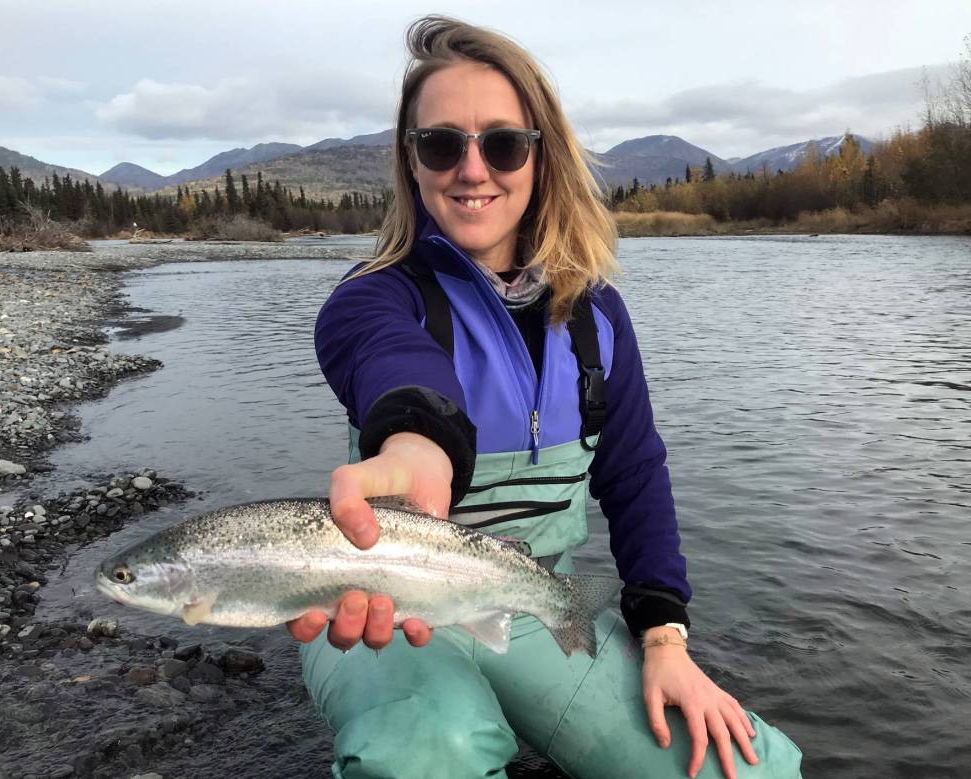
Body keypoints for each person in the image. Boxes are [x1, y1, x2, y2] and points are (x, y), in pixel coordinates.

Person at [288, 15, 803, 779]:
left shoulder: (598, 317)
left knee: (742, 769)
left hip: (529, 602)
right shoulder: (369, 302)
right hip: (378, 609)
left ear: (539, 154)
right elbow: (401, 377)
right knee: (432, 750)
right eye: (441, 145)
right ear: (412, 162)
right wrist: (416, 446)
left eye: (501, 143)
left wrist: (664, 637)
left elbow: (634, 478)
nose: (472, 170)